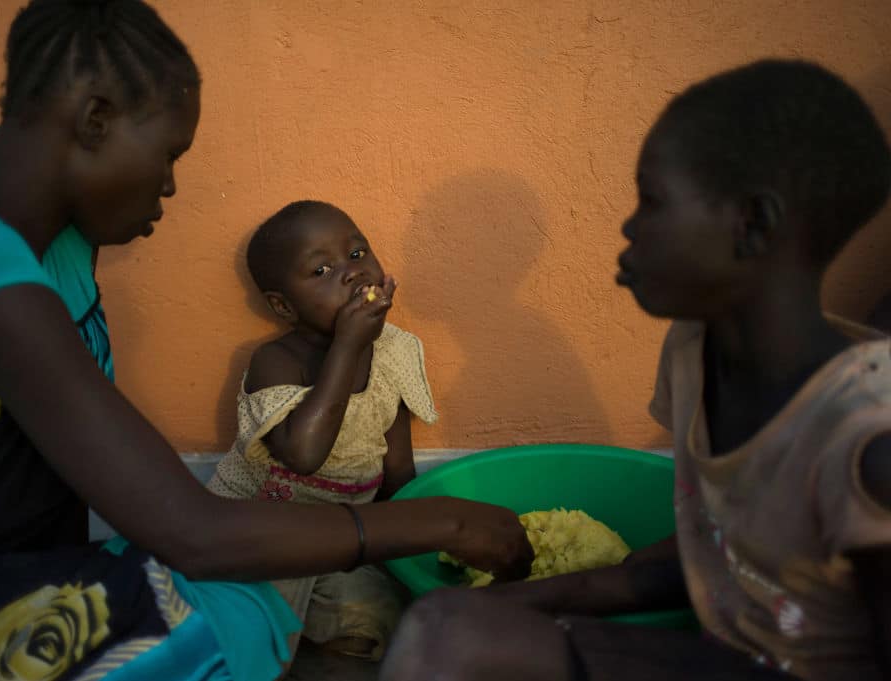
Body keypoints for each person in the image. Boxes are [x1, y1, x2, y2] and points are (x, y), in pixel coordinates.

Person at [0, 2, 533, 680]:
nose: (169, 185)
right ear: (94, 121)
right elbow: (195, 533)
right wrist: (445, 524)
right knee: (227, 615)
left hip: (2, 564)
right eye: (168, 154)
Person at [380, 59, 891, 681]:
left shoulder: (867, 439)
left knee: (448, 641)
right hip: (724, 654)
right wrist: (516, 599)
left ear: (753, 224)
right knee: (443, 625)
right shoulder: (694, 349)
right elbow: (722, 553)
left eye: (651, 202)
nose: (627, 227)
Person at [207, 200, 436, 661]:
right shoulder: (277, 361)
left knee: (381, 619)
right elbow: (303, 455)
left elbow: (397, 471)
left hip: (339, 540)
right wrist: (348, 346)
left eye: (357, 253)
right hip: (262, 533)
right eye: (322, 270)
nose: (352, 273)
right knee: (255, 631)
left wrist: (413, 555)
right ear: (283, 306)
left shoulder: (395, 351)